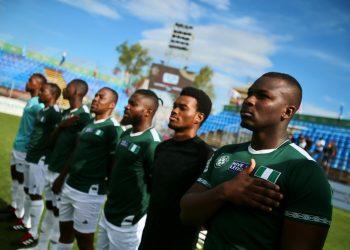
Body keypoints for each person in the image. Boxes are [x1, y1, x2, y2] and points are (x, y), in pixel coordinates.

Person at [180, 72, 332, 249]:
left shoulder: (305, 171)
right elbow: (186, 214)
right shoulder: (225, 154)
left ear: (287, 111)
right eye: (250, 93)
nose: (249, 100)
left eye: (263, 96)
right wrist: (225, 192)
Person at [139, 87, 213, 250]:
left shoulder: (204, 154)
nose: (174, 111)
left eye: (183, 108)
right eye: (175, 106)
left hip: (179, 242)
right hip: (149, 236)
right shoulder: (162, 148)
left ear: (198, 117)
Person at [56, 87, 123, 250]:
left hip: (89, 191)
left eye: (102, 97)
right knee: (64, 231)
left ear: (111, 105)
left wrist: (106, 185)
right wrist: (62, 177)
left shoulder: (113, 128)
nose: (96, 99)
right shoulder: (90, 124)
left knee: (84, 239)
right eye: (96, 95)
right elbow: (76, 152)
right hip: (71, 184)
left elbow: (116, 162)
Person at [97, 89, 162, 250]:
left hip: (129, 221)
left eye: (133, 104)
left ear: (147, 112)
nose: (126, 107)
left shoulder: (152, 143)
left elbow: (156, 186)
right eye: (128, 102)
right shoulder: (126, 133)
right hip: (109, 211)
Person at [37, 79, 91, 249]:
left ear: (75, 90)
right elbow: (50, 142)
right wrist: (61, 126)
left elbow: (78, 150)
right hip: (52, 167)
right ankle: (40, 246)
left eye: (67, 87)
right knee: (50, 207)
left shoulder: (84, 117)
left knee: (61, 216)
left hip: (64, 174)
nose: (64, 89)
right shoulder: (65, 112)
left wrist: (62, 177)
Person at [13, 82, 62, 248]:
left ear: (53, 94)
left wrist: (44, 154)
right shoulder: (43, 110)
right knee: (28, 190)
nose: (40, 92)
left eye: (43, 91)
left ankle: (33, 233)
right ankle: (26, 222)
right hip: (31, 155)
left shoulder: (55, 114)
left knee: (35, 194)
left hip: (40, 159)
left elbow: (55, 138)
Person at [1, 74, 46, 221]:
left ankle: (19, 213)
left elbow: (42, 129)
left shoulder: (39, 104)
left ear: (39, 86)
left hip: (25, 150)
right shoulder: (32, 101)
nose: (27, 83)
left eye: (30, 81)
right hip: (18, 146)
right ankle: (14, 206)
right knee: (15, 179)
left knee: (22, 182)